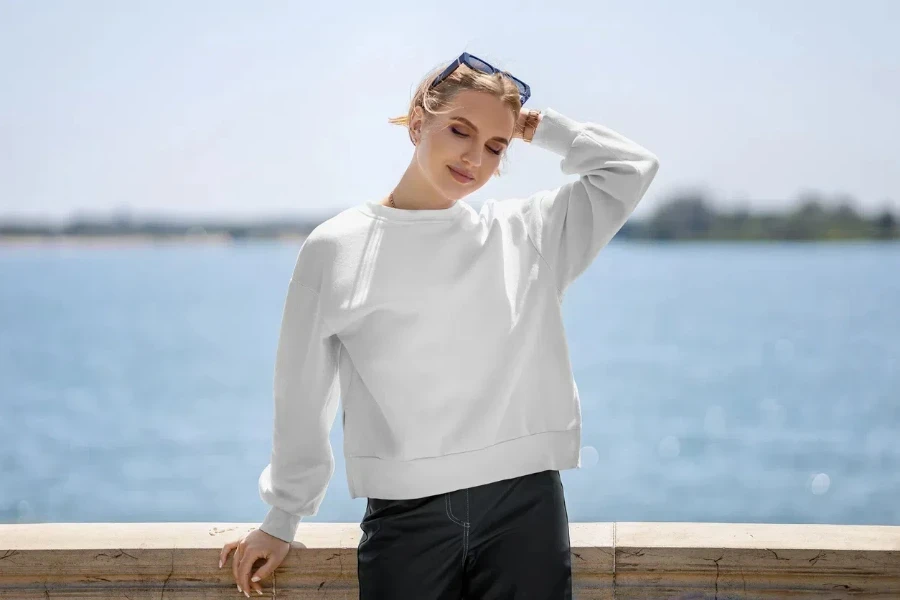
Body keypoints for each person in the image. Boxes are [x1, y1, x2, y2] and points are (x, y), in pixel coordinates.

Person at [219, 51, 659, 598]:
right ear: (418, 120)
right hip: (407, 517)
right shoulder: (336, 247)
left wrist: (535, 127)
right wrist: (283, 518)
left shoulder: (528, 234)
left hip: (525, 505)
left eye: (495, 146)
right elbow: (302, 394)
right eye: (460, 130)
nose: (475, 157)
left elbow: (630, 169)